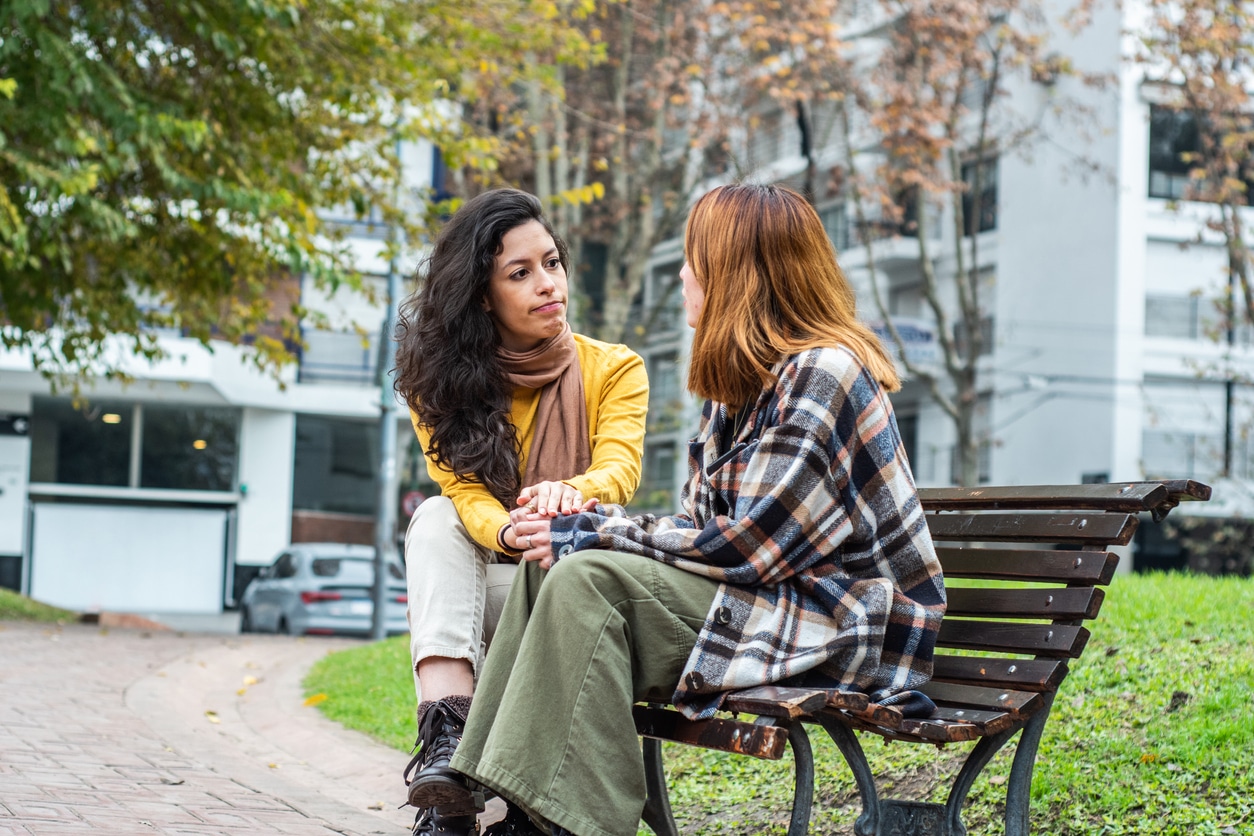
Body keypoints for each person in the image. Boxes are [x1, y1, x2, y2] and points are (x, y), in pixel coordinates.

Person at [406, 183, 948, 836]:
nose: (687, 275)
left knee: (584, 574)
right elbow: (700, 528)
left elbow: (749, 546)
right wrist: (583, 537)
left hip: (838, 620)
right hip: (771, 602)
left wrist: (589, 528)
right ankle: (513, 805)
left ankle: (561, 822)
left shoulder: (823, 373)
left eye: (695, 260)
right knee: (561, 568)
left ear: (734, 276)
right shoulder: (739, 389)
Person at [393, 188, 649, 836]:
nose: (548, 284)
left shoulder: (614, 369)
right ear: (483, 295)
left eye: (553, 263)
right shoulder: (439, 385)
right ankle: (450, 759)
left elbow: (620, 470)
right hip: (495, 579)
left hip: (569, 593)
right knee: (434, 520)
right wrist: (509, 527)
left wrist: (572, 493)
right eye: (521, 273)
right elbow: (465, 497)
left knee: (457, 586)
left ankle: (454, 792)